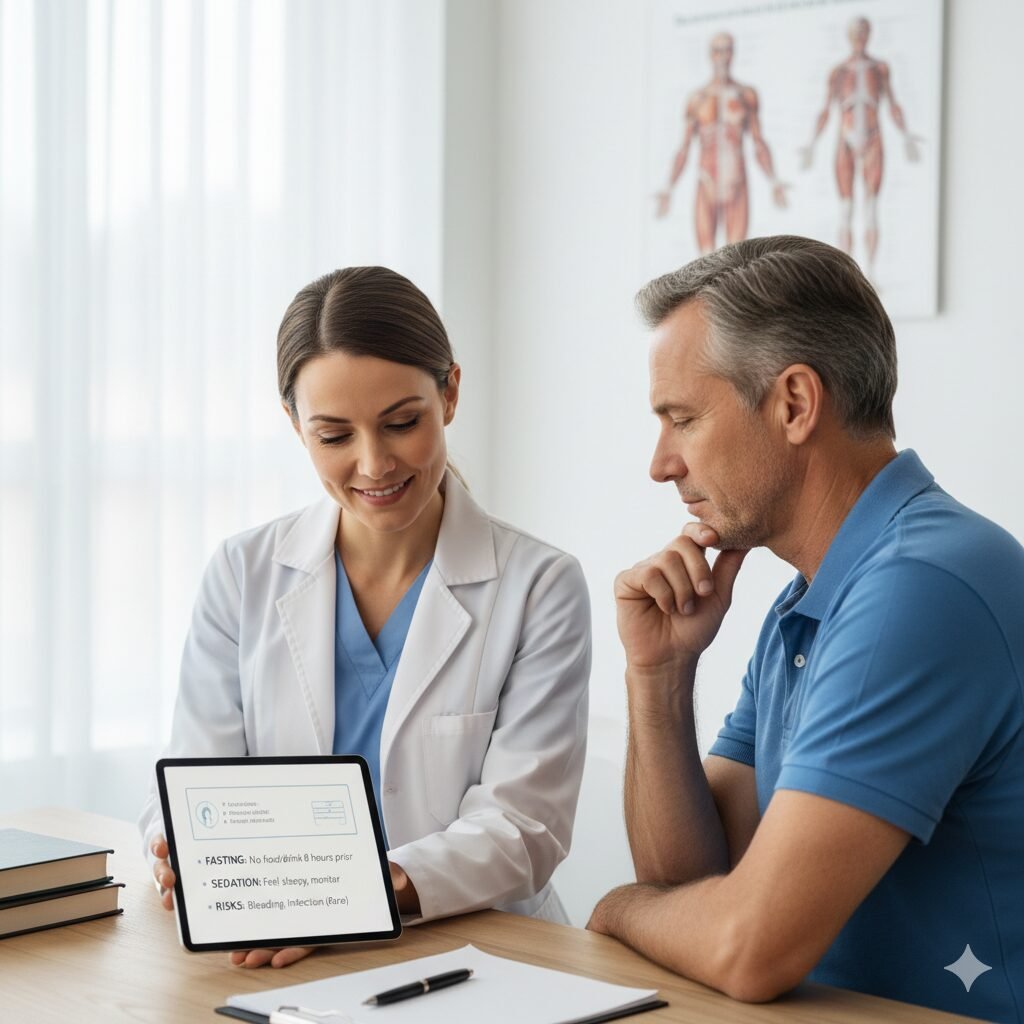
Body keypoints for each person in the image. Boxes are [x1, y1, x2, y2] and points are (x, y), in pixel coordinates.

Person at [587, 236, 1024, 1023]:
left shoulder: (920, 588)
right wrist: (657, 676)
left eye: (683, 419)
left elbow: (747, 947)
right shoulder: (814, 598)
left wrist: (616, 908)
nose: (661, 463)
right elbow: (694, 887)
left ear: (794, 403)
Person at [139, 266, 591, 968]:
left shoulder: (540, 586)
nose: (374, 464)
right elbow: (196, 779)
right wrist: (177, 845)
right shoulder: (242, 573)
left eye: (402, 423)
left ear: (450, 393)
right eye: (334, 436)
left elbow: (523, 828)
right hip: (282, 950)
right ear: (295, 424)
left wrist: (352, 893)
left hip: (480, 955)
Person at [800, 16, 920, 277]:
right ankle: (847, 277)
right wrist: (811, 144)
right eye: (856, 32)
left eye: (864, 32)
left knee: (871, 208)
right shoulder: (839, 72)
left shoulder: (880, 69)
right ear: (849, 35)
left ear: (869, 34)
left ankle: (871, 272)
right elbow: (826, 110)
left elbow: (893, 105)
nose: (860, 37)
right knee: (846, 209)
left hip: (873, 137)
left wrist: (907, 136)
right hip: (845, 139)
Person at [655, 31, 787, 254]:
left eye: (727, 51)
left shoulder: (746, 95)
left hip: (737, 181)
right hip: (707, 180)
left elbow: (758, 143)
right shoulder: (697, 99)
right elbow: (684, 148)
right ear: (710, 55)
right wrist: (669, 187)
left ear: (733, 54)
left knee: (736, 259)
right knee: (704, 260)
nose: (723, 57)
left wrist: (774, 181)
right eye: (718, 51)